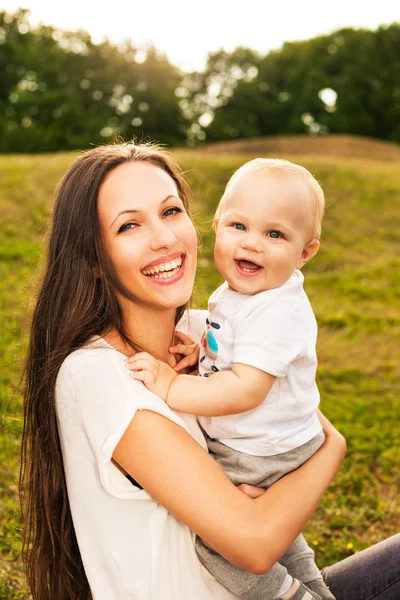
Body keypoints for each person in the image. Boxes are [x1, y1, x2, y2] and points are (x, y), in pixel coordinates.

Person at [19, 141, 399, 600]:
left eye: (171, 211)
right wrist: (332, 450)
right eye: (129, 225)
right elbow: (256, 544)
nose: (164, 238)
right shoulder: (96, 376)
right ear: (95, 260)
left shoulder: (205, 332)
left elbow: (291, 413)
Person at [125, 158, 331, 599]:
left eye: (275, 234)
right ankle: (313, 587)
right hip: (274, 439)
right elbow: (237, 351)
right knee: (286, 540)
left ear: (306, 252)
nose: (252, 244)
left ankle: (287, 595)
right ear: (217, 225)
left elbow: (245, 388)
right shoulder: (242, 293)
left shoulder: (278, 309)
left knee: (222, 545)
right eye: (239, 226)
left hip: (263, 450)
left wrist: (170, 385)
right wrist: (202, 354)